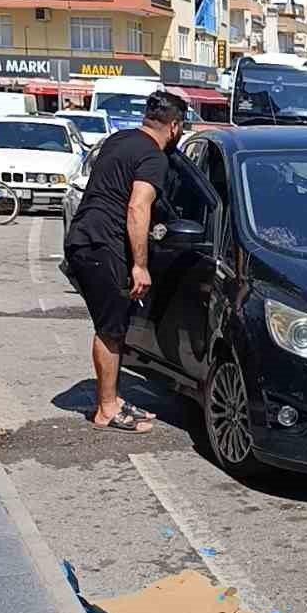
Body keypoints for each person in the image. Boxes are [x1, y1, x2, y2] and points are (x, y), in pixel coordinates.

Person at [65, 89, 186, 433]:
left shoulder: (119, 140)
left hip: (84, 238)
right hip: (102, 244)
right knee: (110, 329)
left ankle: (114, 399)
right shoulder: (154, 157)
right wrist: (140, 265)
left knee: (114, 326)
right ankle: (106, 409)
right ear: (175, 127)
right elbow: (137, 206)